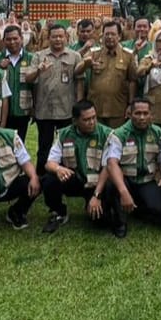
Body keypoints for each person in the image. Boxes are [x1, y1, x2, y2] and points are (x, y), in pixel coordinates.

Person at [40, 100, 120, 234]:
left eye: (94, 117)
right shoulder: (64, 134)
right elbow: (49, 163)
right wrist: (58, 169)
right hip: (75, 180)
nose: (92, 122)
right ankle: (59, 212)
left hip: (97, 184)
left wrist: (96, 195)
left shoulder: (108, 135)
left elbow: (108, 167)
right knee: (49, 179)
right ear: (75, 121)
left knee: (100, 222)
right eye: (86, 119)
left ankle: (98, 205)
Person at [103, 98, 161, 236]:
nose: (142, 117)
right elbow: (111, 163)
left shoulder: (159, 133)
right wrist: (123, 192)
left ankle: (137, 209)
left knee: (160, 214)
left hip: (147, 180)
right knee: (111, 184)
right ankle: (120, 221)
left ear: (151, 115)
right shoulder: (118, 134)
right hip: (125, 180)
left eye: (146, 113)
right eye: (137, 113)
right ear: (129, 114)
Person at [28, 24, 86, 173]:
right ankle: (41, 176)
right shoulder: (39, 56)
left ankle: (67, 175)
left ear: (66, 38)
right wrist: (39, 70)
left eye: (61, 36)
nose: (58, 39)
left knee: (67, 146)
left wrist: (78, 106)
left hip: (66, 109)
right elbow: (28, 79)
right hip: (44, 109)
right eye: (54, 36)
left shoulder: (75, 56)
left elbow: (79, 81)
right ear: (49, 38)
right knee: (44, 146)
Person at [85, 20, 137, 128]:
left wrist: (131, 104)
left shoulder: (128, 55)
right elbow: (79, 69)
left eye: (113, 34)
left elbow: (132, 81)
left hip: (118, 109)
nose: (109, 37)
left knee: (116, 141)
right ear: (102, 36)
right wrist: (86, 63)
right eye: (106, 34)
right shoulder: (94, 53)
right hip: (96, 108)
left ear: (119, 36)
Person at [0, 25, 35, 141]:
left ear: (21, 39)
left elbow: (36, 85)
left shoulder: (31, 58)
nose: (12, 42)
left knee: (19, 143)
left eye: (15, 38)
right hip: (0, 111)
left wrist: (35, 107)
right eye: (8, 39)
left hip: (22, 110)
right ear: (3, 41)